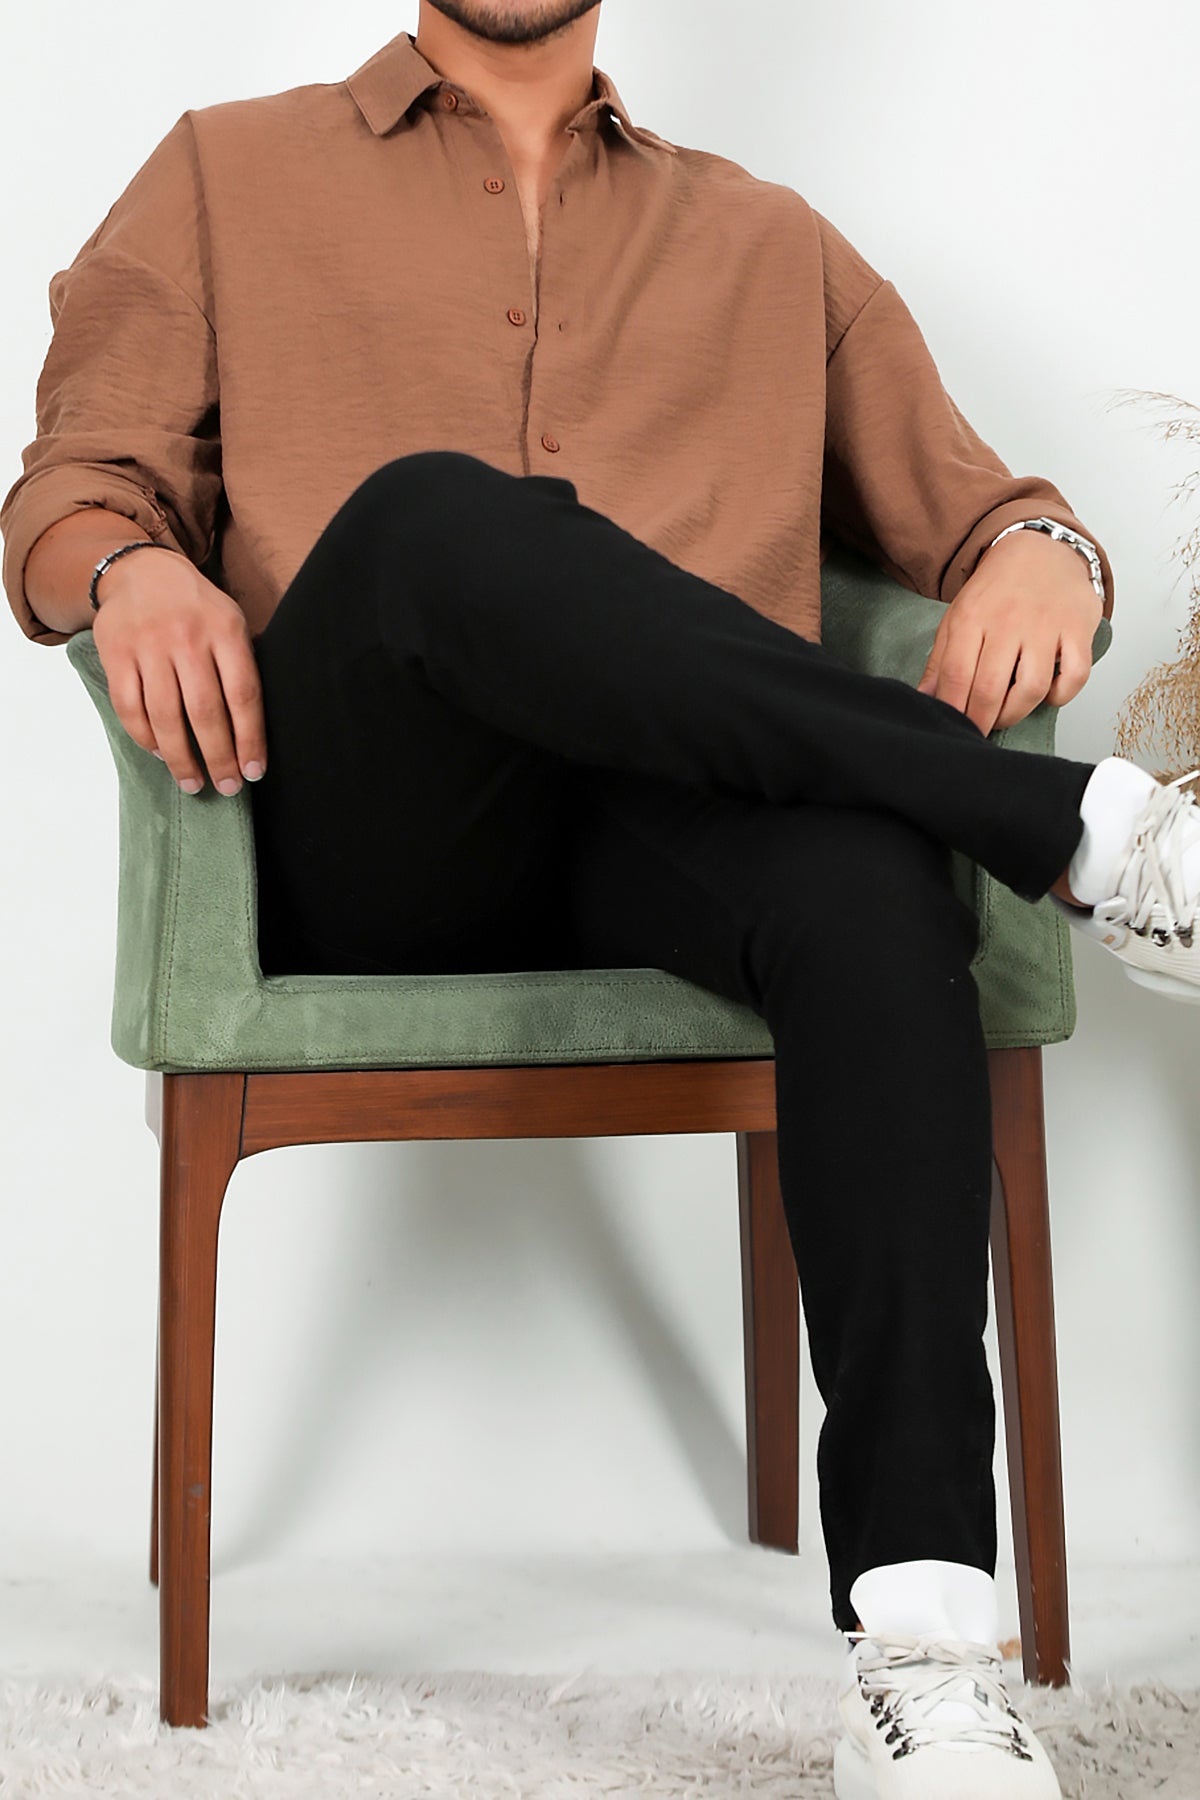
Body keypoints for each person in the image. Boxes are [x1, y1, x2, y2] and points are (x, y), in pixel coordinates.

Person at [4, 4, 1199, 1793]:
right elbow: (69, 487)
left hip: (671, 840)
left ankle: (929, 1646)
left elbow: (990, 508)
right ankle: (1091, 834)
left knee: (873, 887)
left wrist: (1049, 551)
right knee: (434, 522)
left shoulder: (772, 245)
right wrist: (120, 567)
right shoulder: (220, 173)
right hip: (379, 833)